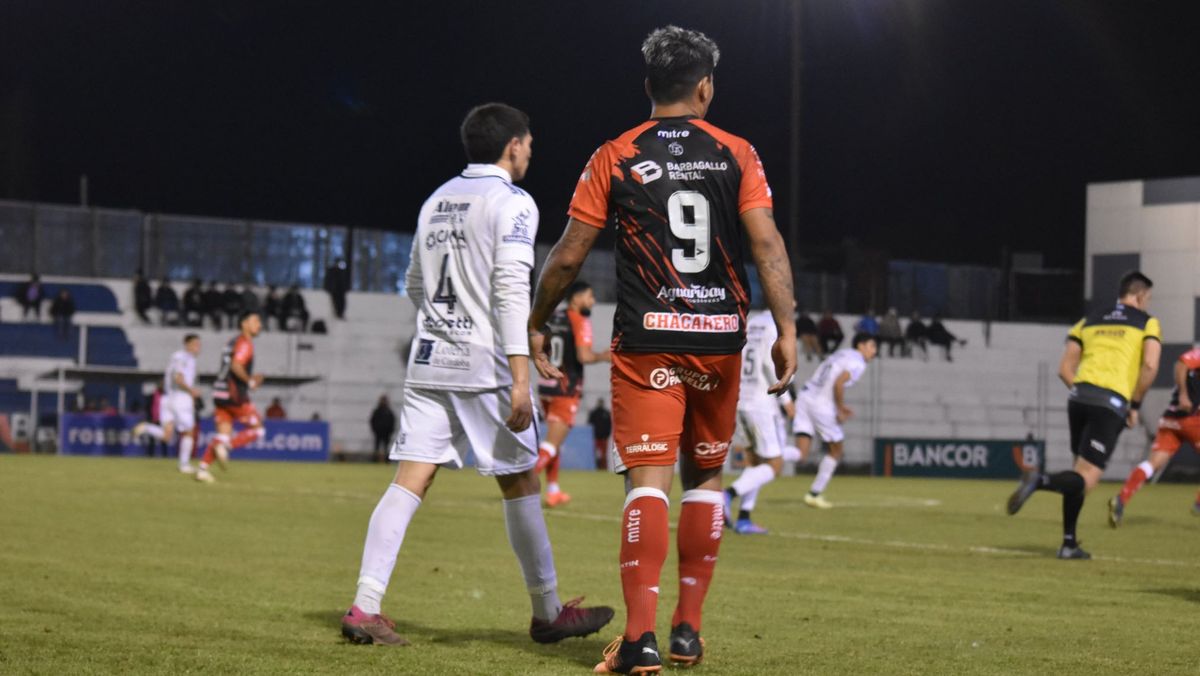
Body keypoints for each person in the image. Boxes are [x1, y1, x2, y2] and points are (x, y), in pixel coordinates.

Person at [528, 26, 797, 673]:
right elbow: (766, 244)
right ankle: (687, 633)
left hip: (647, 340)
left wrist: (536, 320)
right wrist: (787, 328)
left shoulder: (615, 154)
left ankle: (639, 641)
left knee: (647, 480)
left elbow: (569, 253)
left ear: (648, 86)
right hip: (719, 342)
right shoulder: (738, 153)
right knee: (705, 478)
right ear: (706, 87)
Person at [341, 103, 613, 649]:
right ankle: (548, 612)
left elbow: (414, 284)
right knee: (521, 481)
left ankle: (364, 606)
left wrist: (445, 326)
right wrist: (520, 376)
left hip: (429, 361)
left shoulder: (437, 199)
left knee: (410, 479)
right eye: (528, 142)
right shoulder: (512, 202)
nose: (531, 150)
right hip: (485, 366)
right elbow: (510, 289)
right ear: (512, 145)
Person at [1007, 271, 1161, 559]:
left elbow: (1064, 369)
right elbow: (1150, 366)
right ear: (1140, 296)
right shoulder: (1146, 322)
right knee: (1087, 478)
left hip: (1078, 399)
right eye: (1148, 298)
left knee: (1079, 472)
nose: (1148, 303)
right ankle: (1039, 480)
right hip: (1110, 402)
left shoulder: (1088, 319)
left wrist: (1084, 392)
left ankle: (1068, 543)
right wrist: (1134, 406)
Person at [534, 280, 610, 507]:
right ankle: (524, 484)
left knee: (554, 443)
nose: (592, 301)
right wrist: (605, 356)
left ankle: (553, 490)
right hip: (566, 387)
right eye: (590, 296)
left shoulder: (554, 316)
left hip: (546, 384)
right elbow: (584, 356)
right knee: (552, 443)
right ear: (577, 298)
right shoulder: (580, 320)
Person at [724, 308, 800, 534]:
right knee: (774, 465)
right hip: (762, 402)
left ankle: (744, 518)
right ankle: (726, 495)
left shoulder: (752, 322)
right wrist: (786, 399)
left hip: (742, 398)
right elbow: (769, 363)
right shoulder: (777, 324)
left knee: (754, 463)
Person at [1110, 346, 1200, 525]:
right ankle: (1199, 504)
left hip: (1170, 420)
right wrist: (1184, 395)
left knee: (1153, 464)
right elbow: (1182, 363)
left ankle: (1121, 499)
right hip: (1191, 420)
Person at [793, 333, 877, 509]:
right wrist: (839, 409)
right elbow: (839, 383)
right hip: (821, 404)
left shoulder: (842, 353)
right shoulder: (858, 362)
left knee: (801, 454)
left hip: (805, 396)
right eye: (871, 346)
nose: (874, 351)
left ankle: (770, 455)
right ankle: (814, 494)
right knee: (837, 450)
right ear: (860, 346)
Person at [195, 311, 267, 483]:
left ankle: (202, 470)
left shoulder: (232, 341)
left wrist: (247, 378)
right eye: (255, 321)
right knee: (258, 430)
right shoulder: (245, 343)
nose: (259, 325)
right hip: (234, 394)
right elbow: (236, 365)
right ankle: (226, 447)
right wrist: (250, 381)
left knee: (223, 434)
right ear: (244, 324)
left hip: (219, 391)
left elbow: (230, 365)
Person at [134, 334, 202, 473]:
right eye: (195, 344)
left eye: (199, 344)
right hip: (180, 398)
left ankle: (146, 428)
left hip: (167, 398)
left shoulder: (177, 357)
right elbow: (178, 378)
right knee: (189, 431)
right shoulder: (184, 357)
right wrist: (192, 391)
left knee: (166, 435)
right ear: (187, 344)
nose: (198, 347)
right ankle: (184, 465)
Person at [369, 395, 396, 464]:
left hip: (386, 433)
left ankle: (387, 460)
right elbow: (372, 421)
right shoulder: (377, 411)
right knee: (377, 447)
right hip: (378, 433)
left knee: (386, 447)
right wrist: (375, 430)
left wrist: (390, 431)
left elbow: (392, 422)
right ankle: (375, 460)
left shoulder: (389, 412)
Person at [587, 398, 612, 471]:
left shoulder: (606, 413)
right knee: (596, 454)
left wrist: (607, 435)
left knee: (603, 455)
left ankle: (603, 468)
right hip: (596, 437)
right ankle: (596, 468)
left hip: (604, 438)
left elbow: (609, 425)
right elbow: (590, 424)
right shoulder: (594, 413)